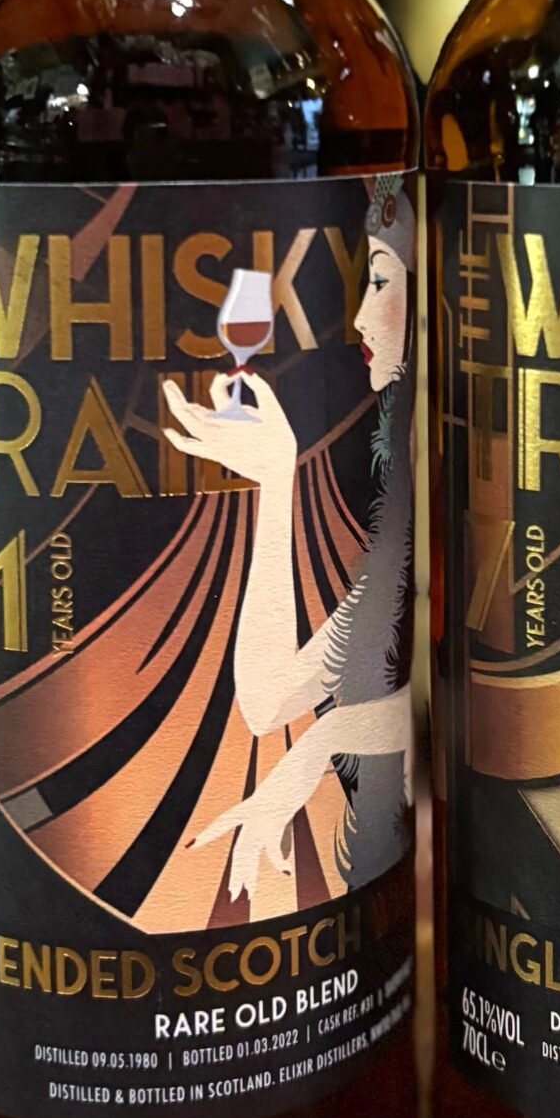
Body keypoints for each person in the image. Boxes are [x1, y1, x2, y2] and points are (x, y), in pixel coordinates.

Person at [163, 175, 416, 903]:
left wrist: (318, 746)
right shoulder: (383, 488)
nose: (359, 319)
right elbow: (270, 701)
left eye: (378, 282)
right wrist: (276, 482)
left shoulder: (405, 469)